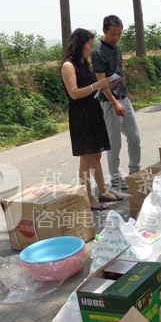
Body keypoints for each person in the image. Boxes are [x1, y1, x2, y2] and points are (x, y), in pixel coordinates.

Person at [60, 28, 123, 211]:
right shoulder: (68, 66)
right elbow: (74, 93)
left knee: (96, 154)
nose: (90, 49)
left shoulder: (83, 64)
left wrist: (105, 85)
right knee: (86, 158)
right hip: (80, 115)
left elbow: (90, 89)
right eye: (89, 45)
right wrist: (97, 85)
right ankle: (87, 198)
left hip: (93, 111)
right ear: (79, 45)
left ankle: (102, 191)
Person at [92, 15, 141, 191]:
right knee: (114, 143)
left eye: (119, 34)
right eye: (113, 34)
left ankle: (135, 171)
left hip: (124, 98)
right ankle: (115, 177)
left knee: (134, 137)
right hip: (109, 102)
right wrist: (114, 103)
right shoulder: (97, 53)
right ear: (104, 31)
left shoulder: (117, 49)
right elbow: (100, 82)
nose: (116, 38)